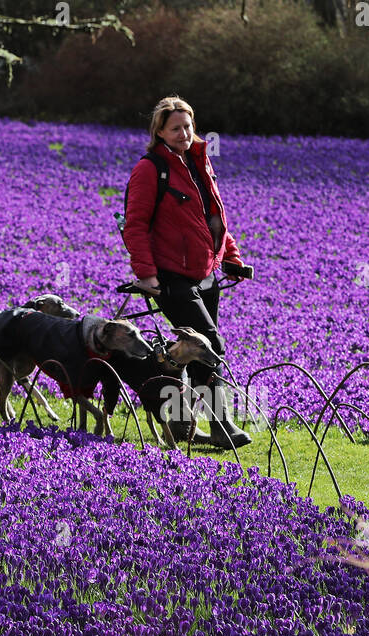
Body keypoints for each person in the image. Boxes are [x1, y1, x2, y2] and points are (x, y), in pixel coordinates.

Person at [121, 95, 253, 449]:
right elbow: (134, 225)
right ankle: (222, 424)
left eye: (189, 126)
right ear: (160, 131)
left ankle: (183, 423)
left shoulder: (199, 162)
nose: (184, 133)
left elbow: (214, 220)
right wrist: (147, 275)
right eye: (176, 127)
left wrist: (232, 258)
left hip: (205, 274)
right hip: (170, 278)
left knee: (192, 349)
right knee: (210, 345)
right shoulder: (150, 168)